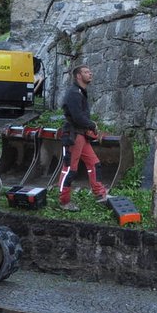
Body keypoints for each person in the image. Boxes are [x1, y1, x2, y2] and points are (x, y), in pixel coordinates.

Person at [57, 65, 112, 212]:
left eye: (90, 71)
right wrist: (92, 125)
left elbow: (80, 117)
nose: (90, 73)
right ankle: (64, 201)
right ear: (78, 76)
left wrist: (89, 127)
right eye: (86, 72)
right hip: (73, 136)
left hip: (81, 135)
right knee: (70, 169)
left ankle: (100, 194)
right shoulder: (74, 93)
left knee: (94, 164)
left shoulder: (80, 92)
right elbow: (77, 117)